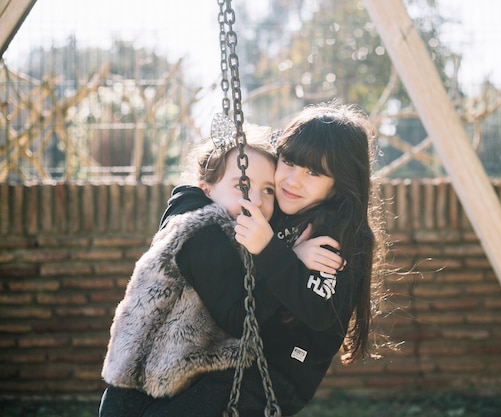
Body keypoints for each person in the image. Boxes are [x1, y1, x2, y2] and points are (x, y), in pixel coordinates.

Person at [130, 102, 386, 417]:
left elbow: (320, 310)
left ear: (340, 183)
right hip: (230, 355)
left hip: (274, 377)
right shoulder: (278, 206)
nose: (293, 180)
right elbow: (219, 195)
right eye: (289, 162)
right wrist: (193, 194)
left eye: (313, 172)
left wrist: (271, 250)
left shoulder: (335, 234)